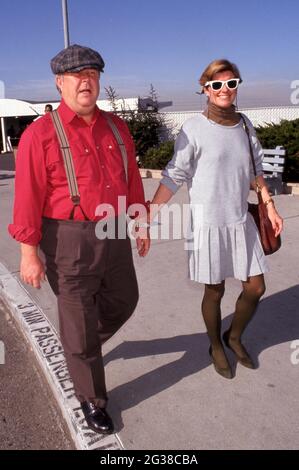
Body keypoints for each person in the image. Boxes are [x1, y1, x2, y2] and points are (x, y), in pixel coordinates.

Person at [8, 44, 150, 434]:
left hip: (115, 229)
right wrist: (28, 252)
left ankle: (80, 349)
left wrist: (140, 221)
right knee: (79, 319)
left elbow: (131, 179)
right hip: (67, 239)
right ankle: (92, 399)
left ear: (99, 80)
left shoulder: (117, 127)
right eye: (77, 75)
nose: (86, 81)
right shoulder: (40, 134)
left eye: (92, 74)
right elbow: (28, 196)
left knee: (124, 300)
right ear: (60, 82)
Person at [149, 59, 283, 379]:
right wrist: (151, 211)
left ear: (237, 87)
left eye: (231, 83)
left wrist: (270, 204)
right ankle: (215, 345)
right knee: (215, 291)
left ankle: (233, 336)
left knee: (256, 287)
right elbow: (174, 175)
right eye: (217, 84)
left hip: (240, 220)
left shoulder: (245, 124)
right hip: (208, 223)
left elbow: (255, 172)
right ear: (205, 88)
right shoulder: (193, 128)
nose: (225, 90)